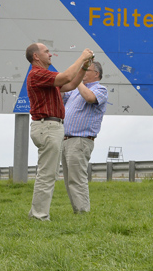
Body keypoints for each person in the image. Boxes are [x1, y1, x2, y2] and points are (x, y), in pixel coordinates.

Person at [25, 43, 94, 221]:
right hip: (47, 127)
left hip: (49, 127)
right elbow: (67, 76)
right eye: (46, 52)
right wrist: (82, 57)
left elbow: (70, 84)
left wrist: (85, 66)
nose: (51, 54)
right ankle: (39, 216)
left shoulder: (44, 77)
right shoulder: (37, 74)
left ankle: (37, 213)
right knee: (47, 174)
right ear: (36, 57)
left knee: (48, 173)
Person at [61, 60, 107, 214]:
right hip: (66, 139)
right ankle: (78, 211)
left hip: (80, 140)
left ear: (96, 74)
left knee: (77, 179)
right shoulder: (75, 90)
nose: (83, 72)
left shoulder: (101, 89)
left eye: (86, 70)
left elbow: (89, 98)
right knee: (69, 180)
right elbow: (60, 94)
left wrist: (78, 81)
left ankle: (82, 213)